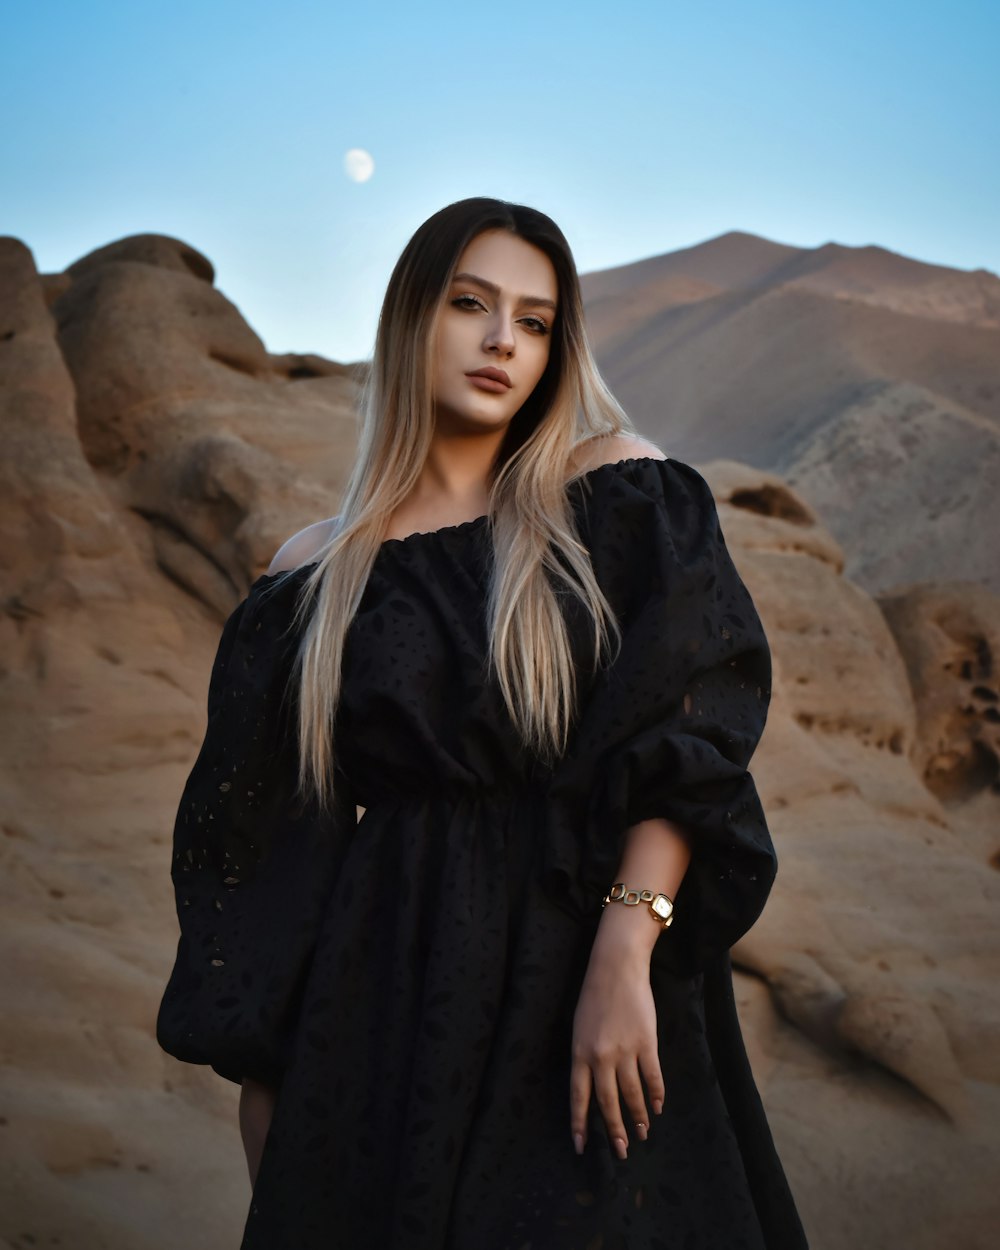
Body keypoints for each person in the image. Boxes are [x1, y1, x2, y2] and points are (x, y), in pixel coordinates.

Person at [156, 196, 809, 1249]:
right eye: (471, 304)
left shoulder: (609, 493)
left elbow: (687, 734)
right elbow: (271, 859)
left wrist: (622, 954)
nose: (503, 339)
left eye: (536, 320)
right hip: (385, 995)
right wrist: (278, 1093)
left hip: (586, 960)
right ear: (411, 316)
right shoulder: (311, 573)